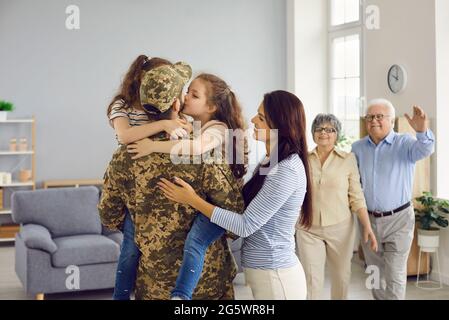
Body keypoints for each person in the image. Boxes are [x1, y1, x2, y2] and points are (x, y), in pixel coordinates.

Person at [99, 61, 245, 300]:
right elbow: (233, 211)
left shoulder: (126, 155)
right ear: (177, 103)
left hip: (152, 284)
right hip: (206, 283)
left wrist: (140, 225)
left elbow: (108, 214)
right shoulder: (204, 153)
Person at [158, 90, 312, 300]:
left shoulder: (286, 170)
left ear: (281, 126)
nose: (253, 120)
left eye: (262, 118)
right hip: (265, 273)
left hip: (276, 276)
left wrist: (192, 199)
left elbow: (245, 225)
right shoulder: (270, 161)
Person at [106, 55, 192, 300]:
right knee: (130, 251)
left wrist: (175, 124)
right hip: (135, 189)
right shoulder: (122, 105)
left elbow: (181, 129)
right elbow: (124, 136)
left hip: (164, 185)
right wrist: (163, 126)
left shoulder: (167, 102)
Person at [352, 99, 435, 300]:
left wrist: (422, 132)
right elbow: (352, 182)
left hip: (399, 220)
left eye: (379, 116)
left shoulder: (404, 143)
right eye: (370, 117)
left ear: (390, 120)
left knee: (395, 274)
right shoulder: (358, 148)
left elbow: (425, 150)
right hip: (369, 221)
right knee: (374, 272)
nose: (373, 121)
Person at [296, 113, 378, 300]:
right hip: (308, 228)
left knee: (341, 277)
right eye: (319, 129)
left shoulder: (348, 159)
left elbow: (356, 197)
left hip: (341, 229)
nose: (324, 133)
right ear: (313, 133)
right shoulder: (302, 159)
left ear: (337, 134)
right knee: (311, 279)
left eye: (330, 129)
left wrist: (366, 226)